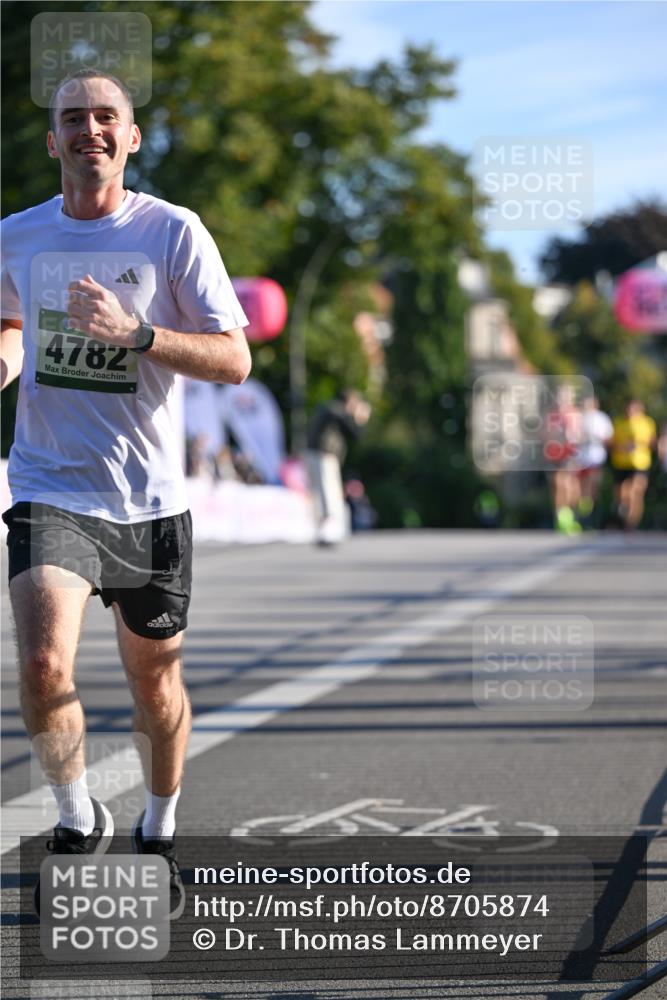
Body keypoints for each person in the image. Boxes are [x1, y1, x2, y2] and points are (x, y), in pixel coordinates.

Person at [0, 70, 251, 917]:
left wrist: (136, 333)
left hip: (148, 498)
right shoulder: (17, 237)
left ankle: (161, 825)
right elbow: (7, 324)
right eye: (73, 118)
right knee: (41, 662)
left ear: (131, 138)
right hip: (48, 484)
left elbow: (233, 357)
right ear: (53, 141)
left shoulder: (171, 233)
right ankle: (75, 819)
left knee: (157, 690)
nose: (90, 130)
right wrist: (3, 359)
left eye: (106, 117)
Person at [306, 389, 371, 545]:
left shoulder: (328, 408)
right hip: (324, 456)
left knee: (321, 493)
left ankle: (325, 530)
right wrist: (360, 418)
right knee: (329, 493)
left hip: (317, 455)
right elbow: (355, 434)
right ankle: (329, 531)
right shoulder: (336, 410)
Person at [609, 400, 657, 530]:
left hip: (640, 463)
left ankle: (632, 523)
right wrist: (622, 447)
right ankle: (623, 508)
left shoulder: (647, 422)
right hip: (621, 463)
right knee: (623, 493)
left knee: (637, 490)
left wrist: (640, 444)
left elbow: (652, 442)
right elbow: (611, 443)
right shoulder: (619, 422)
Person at [543, 383, 582, 535]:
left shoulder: (575, 413)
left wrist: (571, 435)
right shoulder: (551, 415)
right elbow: (545, 435)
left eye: (565, 396)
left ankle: (572, 513)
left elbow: (578, 435)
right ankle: (561, 516)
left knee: (570, 486)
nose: (561, 399)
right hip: (555, 454)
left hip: (570, 453)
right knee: (558, 484)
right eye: (559, 395)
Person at [574, 396, 613, 525]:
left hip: (596, 457)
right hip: (580, 458)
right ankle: (580, 515)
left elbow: (609, 438)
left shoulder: (602, 418)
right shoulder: (579, 417)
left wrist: (597, 438)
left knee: (593, 486)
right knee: (579, 487)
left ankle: (592, 517)